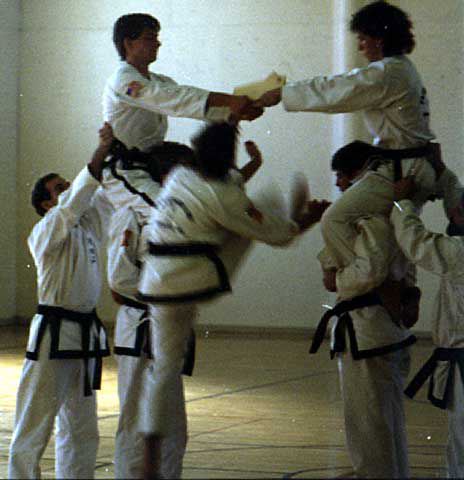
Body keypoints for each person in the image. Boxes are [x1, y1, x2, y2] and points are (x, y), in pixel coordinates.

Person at [136, 122, 330, 478]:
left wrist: (247, 158)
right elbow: (248, 211)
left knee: (163, 367)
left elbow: (229, 183)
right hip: (194, 276)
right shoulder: (224, 196)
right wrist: (302, 222)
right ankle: (292, 219)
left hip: (155, 281)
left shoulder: (180, 176)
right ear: (226, 157)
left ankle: (149, 454)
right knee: (260, 215)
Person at [256, 0, 439, 269]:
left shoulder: (388, 73)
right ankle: (382, 284)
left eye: (363, 39)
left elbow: (339, 89)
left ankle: (356, 279)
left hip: (402, 169)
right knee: (390, 238)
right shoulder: (402, 68)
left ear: (379, 39)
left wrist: (283, 93)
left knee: (336, 219)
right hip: (406, 165)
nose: (360, 47)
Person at [8, 124, 114, 479]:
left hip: (84, 335)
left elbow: (100, 195)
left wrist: (117, 154)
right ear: (46, 203)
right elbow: (77, 199)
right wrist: (100, 150)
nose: (68, 189)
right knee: (35, 421)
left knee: (82, 426)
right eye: (59, 188)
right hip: (53, 334)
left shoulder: (88, 227)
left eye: (68, 184)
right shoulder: (45, 231)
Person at [310, 141, 417, 478]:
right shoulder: (394, 219)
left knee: (369, 423)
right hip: (381, 329)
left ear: (357, 174)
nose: (338, 184)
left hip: (369, 331)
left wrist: (340, 277)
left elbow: (363, 274)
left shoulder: (372, 222)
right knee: (385, 419)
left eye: (341, 176)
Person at [102, 13, 263, 213]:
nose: (158, 43)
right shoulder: (122, 80)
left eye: (157, 38)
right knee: (172, 214)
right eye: (150, 38)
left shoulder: (162, 81)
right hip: (125, 171)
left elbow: (190, 104)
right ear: (128, 43)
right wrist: (230, 101)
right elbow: (172, 98)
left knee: (207, 202)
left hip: (155, 166)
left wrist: (237, 112)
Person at [390, 170, 464, 478]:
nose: (453, 210)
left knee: (462, 445)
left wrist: (402, 202)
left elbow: (415, 242)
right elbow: (456, 206)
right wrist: (441, 171)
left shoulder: (459, 252)